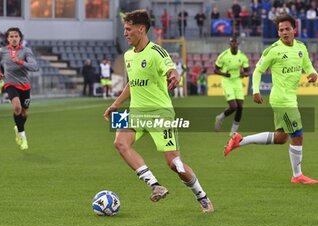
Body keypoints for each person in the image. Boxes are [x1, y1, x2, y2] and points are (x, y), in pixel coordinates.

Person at [103, 9, 214, 213]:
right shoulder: (128, 55)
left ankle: (202, 197)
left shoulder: (156, 52)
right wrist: (116, 104)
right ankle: (155, 186)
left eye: (128, 29)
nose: (125, 33)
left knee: (175, 164)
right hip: (136, 112)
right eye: (124, 29)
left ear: (141, 29)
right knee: (120, 143)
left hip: (159, 114)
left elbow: (170, 68)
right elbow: (132, 83)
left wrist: (174, 75)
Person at [224, 14, 318, 184]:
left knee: (281, 138)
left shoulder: (301, 47)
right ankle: (297, 176)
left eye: (287, 29)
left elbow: (307, 65)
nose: (284, 32)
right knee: (298, 136)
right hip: (282, 100)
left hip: (290, 98)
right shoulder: (273, 50)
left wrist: (313, 73)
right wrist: (256, 91)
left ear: (294, 29)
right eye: (280, 30)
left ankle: (240, 141)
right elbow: (258, 71)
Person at [0, 27, 39, 150]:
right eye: (11, 37)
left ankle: (18, 128)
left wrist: (20, 62)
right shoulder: (2, 51)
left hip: (25, 85)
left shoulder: (26, 51)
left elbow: (34, 67)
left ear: (20, 38)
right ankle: (23, 137)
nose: (14, 39)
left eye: (16, 36)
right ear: (8, 39)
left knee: (24, 113)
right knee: (17, 107)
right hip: (10, 84)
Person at [214, 37, 249, 134]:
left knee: (240, 107)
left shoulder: (242, 56)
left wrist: (244, 74)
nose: (233, 44)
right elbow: (215, 70)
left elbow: (247, 71)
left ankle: (233, 131)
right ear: (229, 44)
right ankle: (220, 117)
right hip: (227, 81)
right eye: (232, 42)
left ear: (238, 43)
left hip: (237, 81)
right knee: (234, 106)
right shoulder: (224, 55)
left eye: (235, 42)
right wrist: (224, 74)